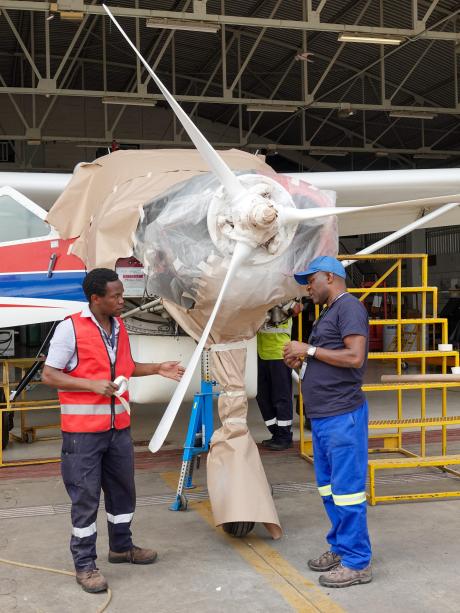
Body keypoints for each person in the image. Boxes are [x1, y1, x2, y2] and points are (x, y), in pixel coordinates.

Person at [42, 268, 185, 594]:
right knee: (86, 499)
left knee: (123, 493)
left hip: (118, 429)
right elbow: (50, 375)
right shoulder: (70, 329)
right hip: (83, 434)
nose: (122, 300)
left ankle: (121, 547)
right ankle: (85, 564)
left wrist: (157, 369)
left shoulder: (118, 326)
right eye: (116, 296)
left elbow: (126, 368)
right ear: (96, 298)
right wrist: (91, 385)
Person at [283, 256, 372, 588]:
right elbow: (322, 364)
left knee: (347, 492)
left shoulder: (349, 308)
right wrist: (298, 362)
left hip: (341, 416)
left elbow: (354, 357)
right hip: (323, 417)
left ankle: (357, 562)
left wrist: (309, 350)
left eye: (311, 280)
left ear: (331, 278)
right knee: (330, 491)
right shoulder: (328, 314)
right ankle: (341, 548)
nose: (308, 286)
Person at [256, 318, 293, 450]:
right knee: (261, 396)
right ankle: (276, 433)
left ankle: (284, 437)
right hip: (261, 352)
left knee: (281, 397)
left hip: (279, 352)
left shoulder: (280, 298)